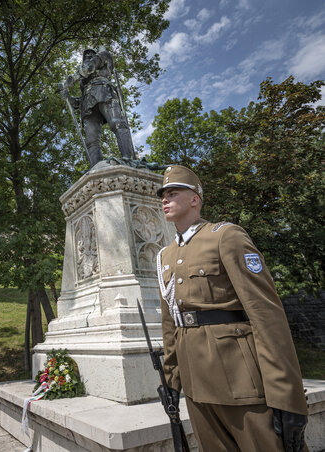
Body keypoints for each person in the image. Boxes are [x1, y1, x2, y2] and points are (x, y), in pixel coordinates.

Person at [155, 165, 308, 452]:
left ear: (194, 199)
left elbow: (266, 314)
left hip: (240, 378)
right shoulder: (164, 255)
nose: (165, 198)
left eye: (173, 192)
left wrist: (286, 395)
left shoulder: (225, 236)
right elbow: (171, 325)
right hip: (195, 385)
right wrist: (171, 382)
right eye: (163, 194)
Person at [59, 48, 134, 167]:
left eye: (90, 53)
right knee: (91, 139)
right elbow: (79, 102)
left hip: (104, 90)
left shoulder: (104, 56)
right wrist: (68, 97)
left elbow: (90, 66)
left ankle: (127, 159)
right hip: (87, 102)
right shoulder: (84, 80)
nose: (88, 55)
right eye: (85, 55)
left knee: (117, 123)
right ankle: (97, 167)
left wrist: (72, 79)